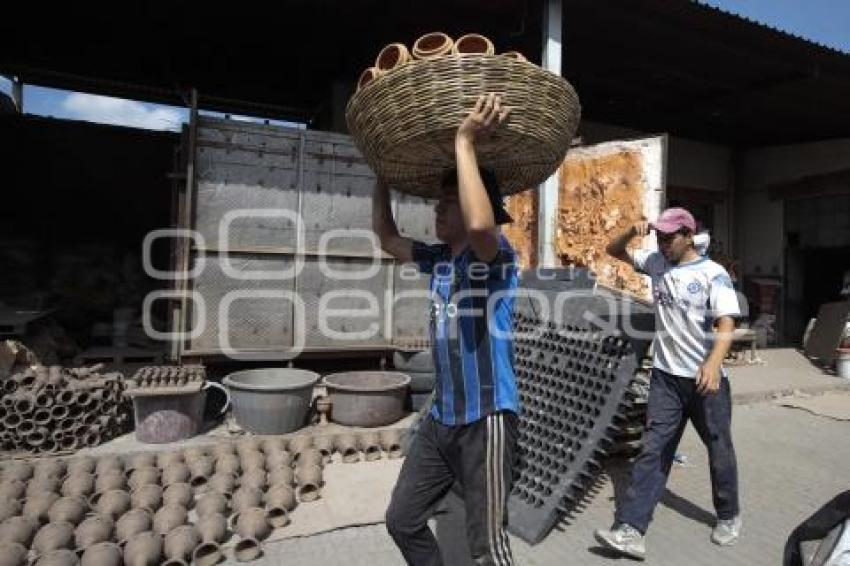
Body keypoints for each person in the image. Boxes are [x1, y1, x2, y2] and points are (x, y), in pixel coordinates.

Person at [374, 93, 520, 566]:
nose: (438, 210)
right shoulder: (438, 261)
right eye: (438, 201)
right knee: (403, 519)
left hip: (486, 418)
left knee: (488, 550)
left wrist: (465, 140)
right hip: (443, 419)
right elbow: (386, 237)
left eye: (448, 202)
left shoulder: (496, 260)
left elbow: (481, 225)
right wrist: (381, 175)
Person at [594, 207, 742, 560]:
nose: (662, 243)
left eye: (669, 237)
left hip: (707, 382)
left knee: (719, 450)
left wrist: (713, 364)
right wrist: (632, 231)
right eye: (658, 237)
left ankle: (728, 515)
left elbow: (726, 324)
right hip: (666, 378)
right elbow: (613, 251)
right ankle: (630, 529)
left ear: (688, 236)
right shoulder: (657, 264)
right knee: (653, 450)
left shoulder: (712, 273)